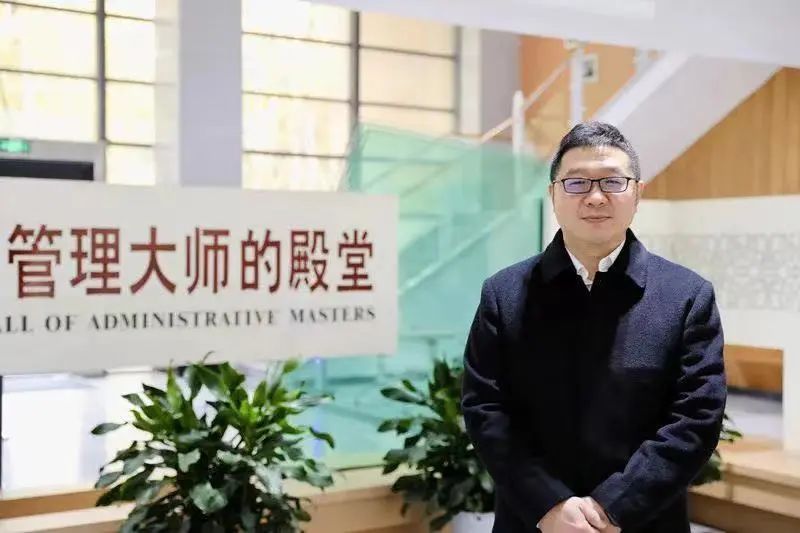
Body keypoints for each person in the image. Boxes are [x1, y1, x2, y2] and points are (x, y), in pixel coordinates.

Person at [461, 121, 726, 533]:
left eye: (613, 182)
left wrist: (612, 508)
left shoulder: (686, 296)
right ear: (553, 195)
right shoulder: (504, 294)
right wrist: (548, 505)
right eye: (577, 183)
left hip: (644, 522)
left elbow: (696, 417)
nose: (596, 197)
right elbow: (486, 408)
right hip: (534, 522)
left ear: (637, 193)